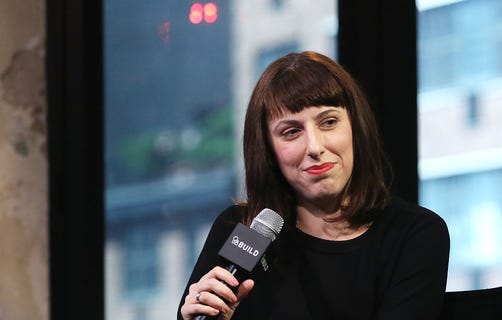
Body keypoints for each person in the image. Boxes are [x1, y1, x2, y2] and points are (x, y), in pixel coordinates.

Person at [178, 51, 450, 320]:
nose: (315, 147)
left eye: (329, 122)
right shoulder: (243, 229)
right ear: (268, 150)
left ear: (356, 127)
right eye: (291, 132)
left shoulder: (413, 235)